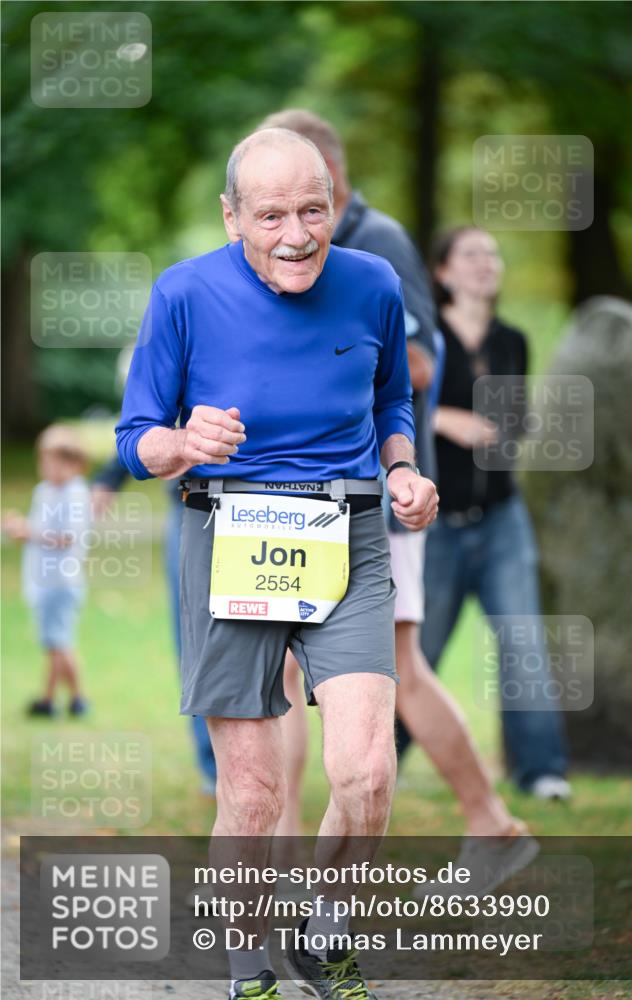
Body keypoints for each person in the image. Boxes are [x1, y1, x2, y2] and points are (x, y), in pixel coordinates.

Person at [115, 127, 437, 1000]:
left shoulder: (371, 282)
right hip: (225, 537)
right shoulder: (182, 293)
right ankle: (246, 969)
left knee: (367, 774)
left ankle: (320, 927)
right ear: (231, 219)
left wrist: (403, 468)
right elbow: (133, 439)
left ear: (334, 203)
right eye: (270, 216)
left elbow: (391, 396)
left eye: (312, 209)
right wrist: (183, 440)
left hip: (349, 532)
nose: (296, 234)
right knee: (252, 794)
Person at [261, 110, 534, 849]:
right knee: (281, 680)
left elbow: (417, 362)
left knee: (399, 673)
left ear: (327, 173)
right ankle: (281, 850)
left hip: (376, 497)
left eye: (287, 177)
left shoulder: (375, 243)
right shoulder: (305, 245)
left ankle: (490, 822)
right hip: (301, 502)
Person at [421, 224, 570, 800]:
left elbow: (515, 420)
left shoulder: (512, 340)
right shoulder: (424, 337)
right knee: (420, 650)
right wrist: (445, 420)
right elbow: (386, 408)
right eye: (471, 254)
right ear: (443, 272)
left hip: (503, 519)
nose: (486, 263)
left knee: (524, 643)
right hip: (435, 524)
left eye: (493, 254)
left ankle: (541, 771)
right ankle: (380, 759)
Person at [91, 460, 217, 793]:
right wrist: (109, 477)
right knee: (195, 644)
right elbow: (150, 419)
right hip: (194, 504)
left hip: (277, 503)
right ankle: (214, 767)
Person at [3, 425, 90, 717]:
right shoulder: (44, 491)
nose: (49, 467)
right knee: (54, 642)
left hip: (61, 581)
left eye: (57, 461)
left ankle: (67, 698)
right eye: (45, 460)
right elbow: (38, 528)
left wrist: (28, 532)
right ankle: (55, 698)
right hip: (41, 580)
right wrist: (18, 527)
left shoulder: (76, 494)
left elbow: (66, 536)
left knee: (59, 642)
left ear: (76, 464)